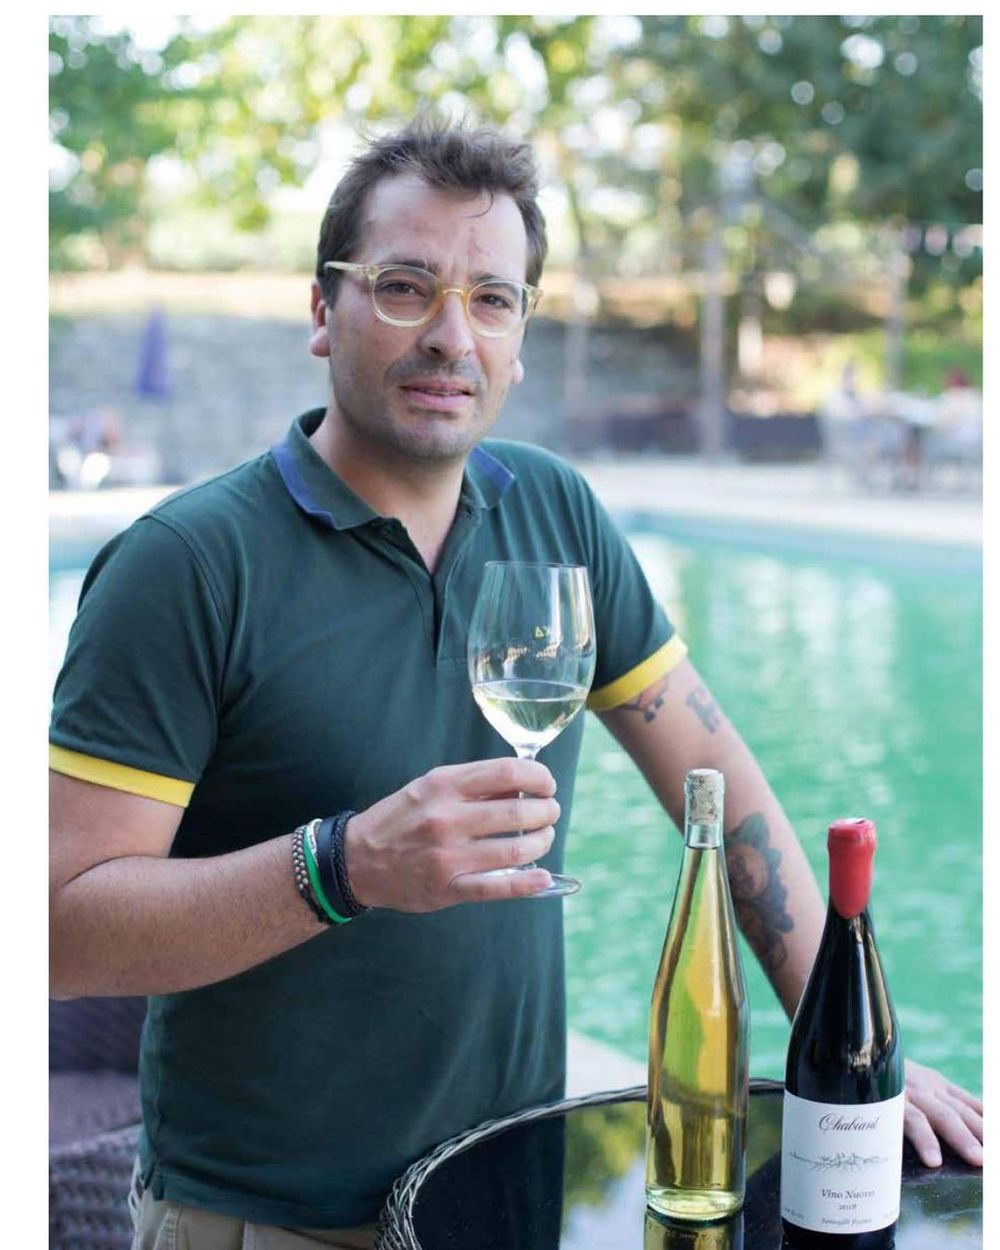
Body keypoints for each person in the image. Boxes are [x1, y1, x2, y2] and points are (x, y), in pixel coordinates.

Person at [49, 117, 983, 1250]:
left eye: (492, 299)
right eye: (405, 287)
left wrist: (852, 1059)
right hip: (266, 1216)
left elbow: (721, 787)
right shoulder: (186, 565)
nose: (452, 335)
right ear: (322, 309)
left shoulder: (558, 514)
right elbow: (60, 933)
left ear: (520, 335)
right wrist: (343, 867)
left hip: (509, 1187)